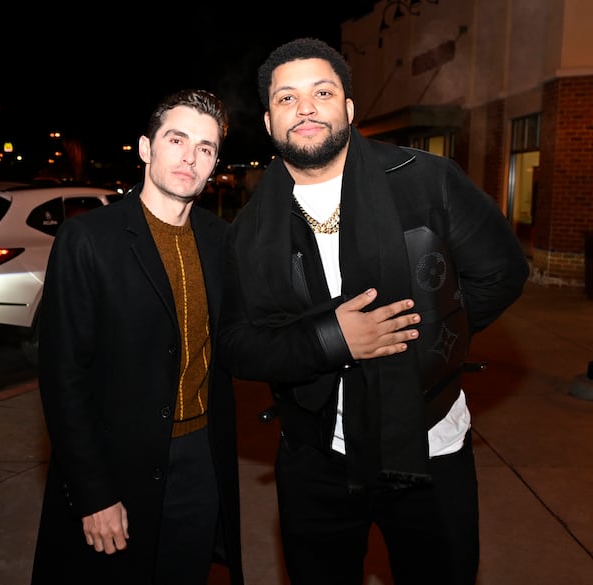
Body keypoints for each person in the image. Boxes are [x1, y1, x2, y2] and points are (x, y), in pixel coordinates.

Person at [218, 38, 530, 585]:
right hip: (315, 455)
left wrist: (432, 335)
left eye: (322, 91)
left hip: (430, 444)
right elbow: (240, 343)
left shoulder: (427, 179)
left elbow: (501, 272)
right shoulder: (249, 230)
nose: (306, 107)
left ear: (349, 109)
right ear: (269, 122)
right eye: (287, 98)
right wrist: (330, 341)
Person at [31, 89, 244, 585]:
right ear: (146, 149)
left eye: (206, 148)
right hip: (117, 464)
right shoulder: (88, 239)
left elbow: (239, 339)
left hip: (200, 460)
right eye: (177, 139)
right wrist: (93, 493)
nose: (191, 156)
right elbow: (63, 379)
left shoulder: (219, 239)